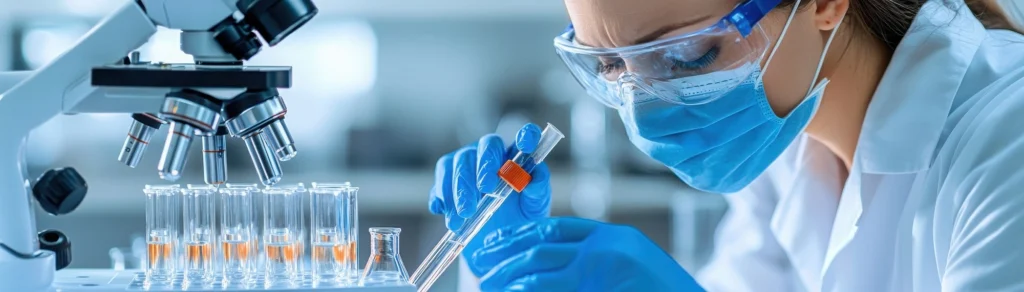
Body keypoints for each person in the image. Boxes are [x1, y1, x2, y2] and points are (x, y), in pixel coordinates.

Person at [427, 0, 1024, 290]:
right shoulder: (784, 155)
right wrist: (512, 263)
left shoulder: (1007, 143)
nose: (645, 107)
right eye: (610, 67)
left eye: (687, 55)